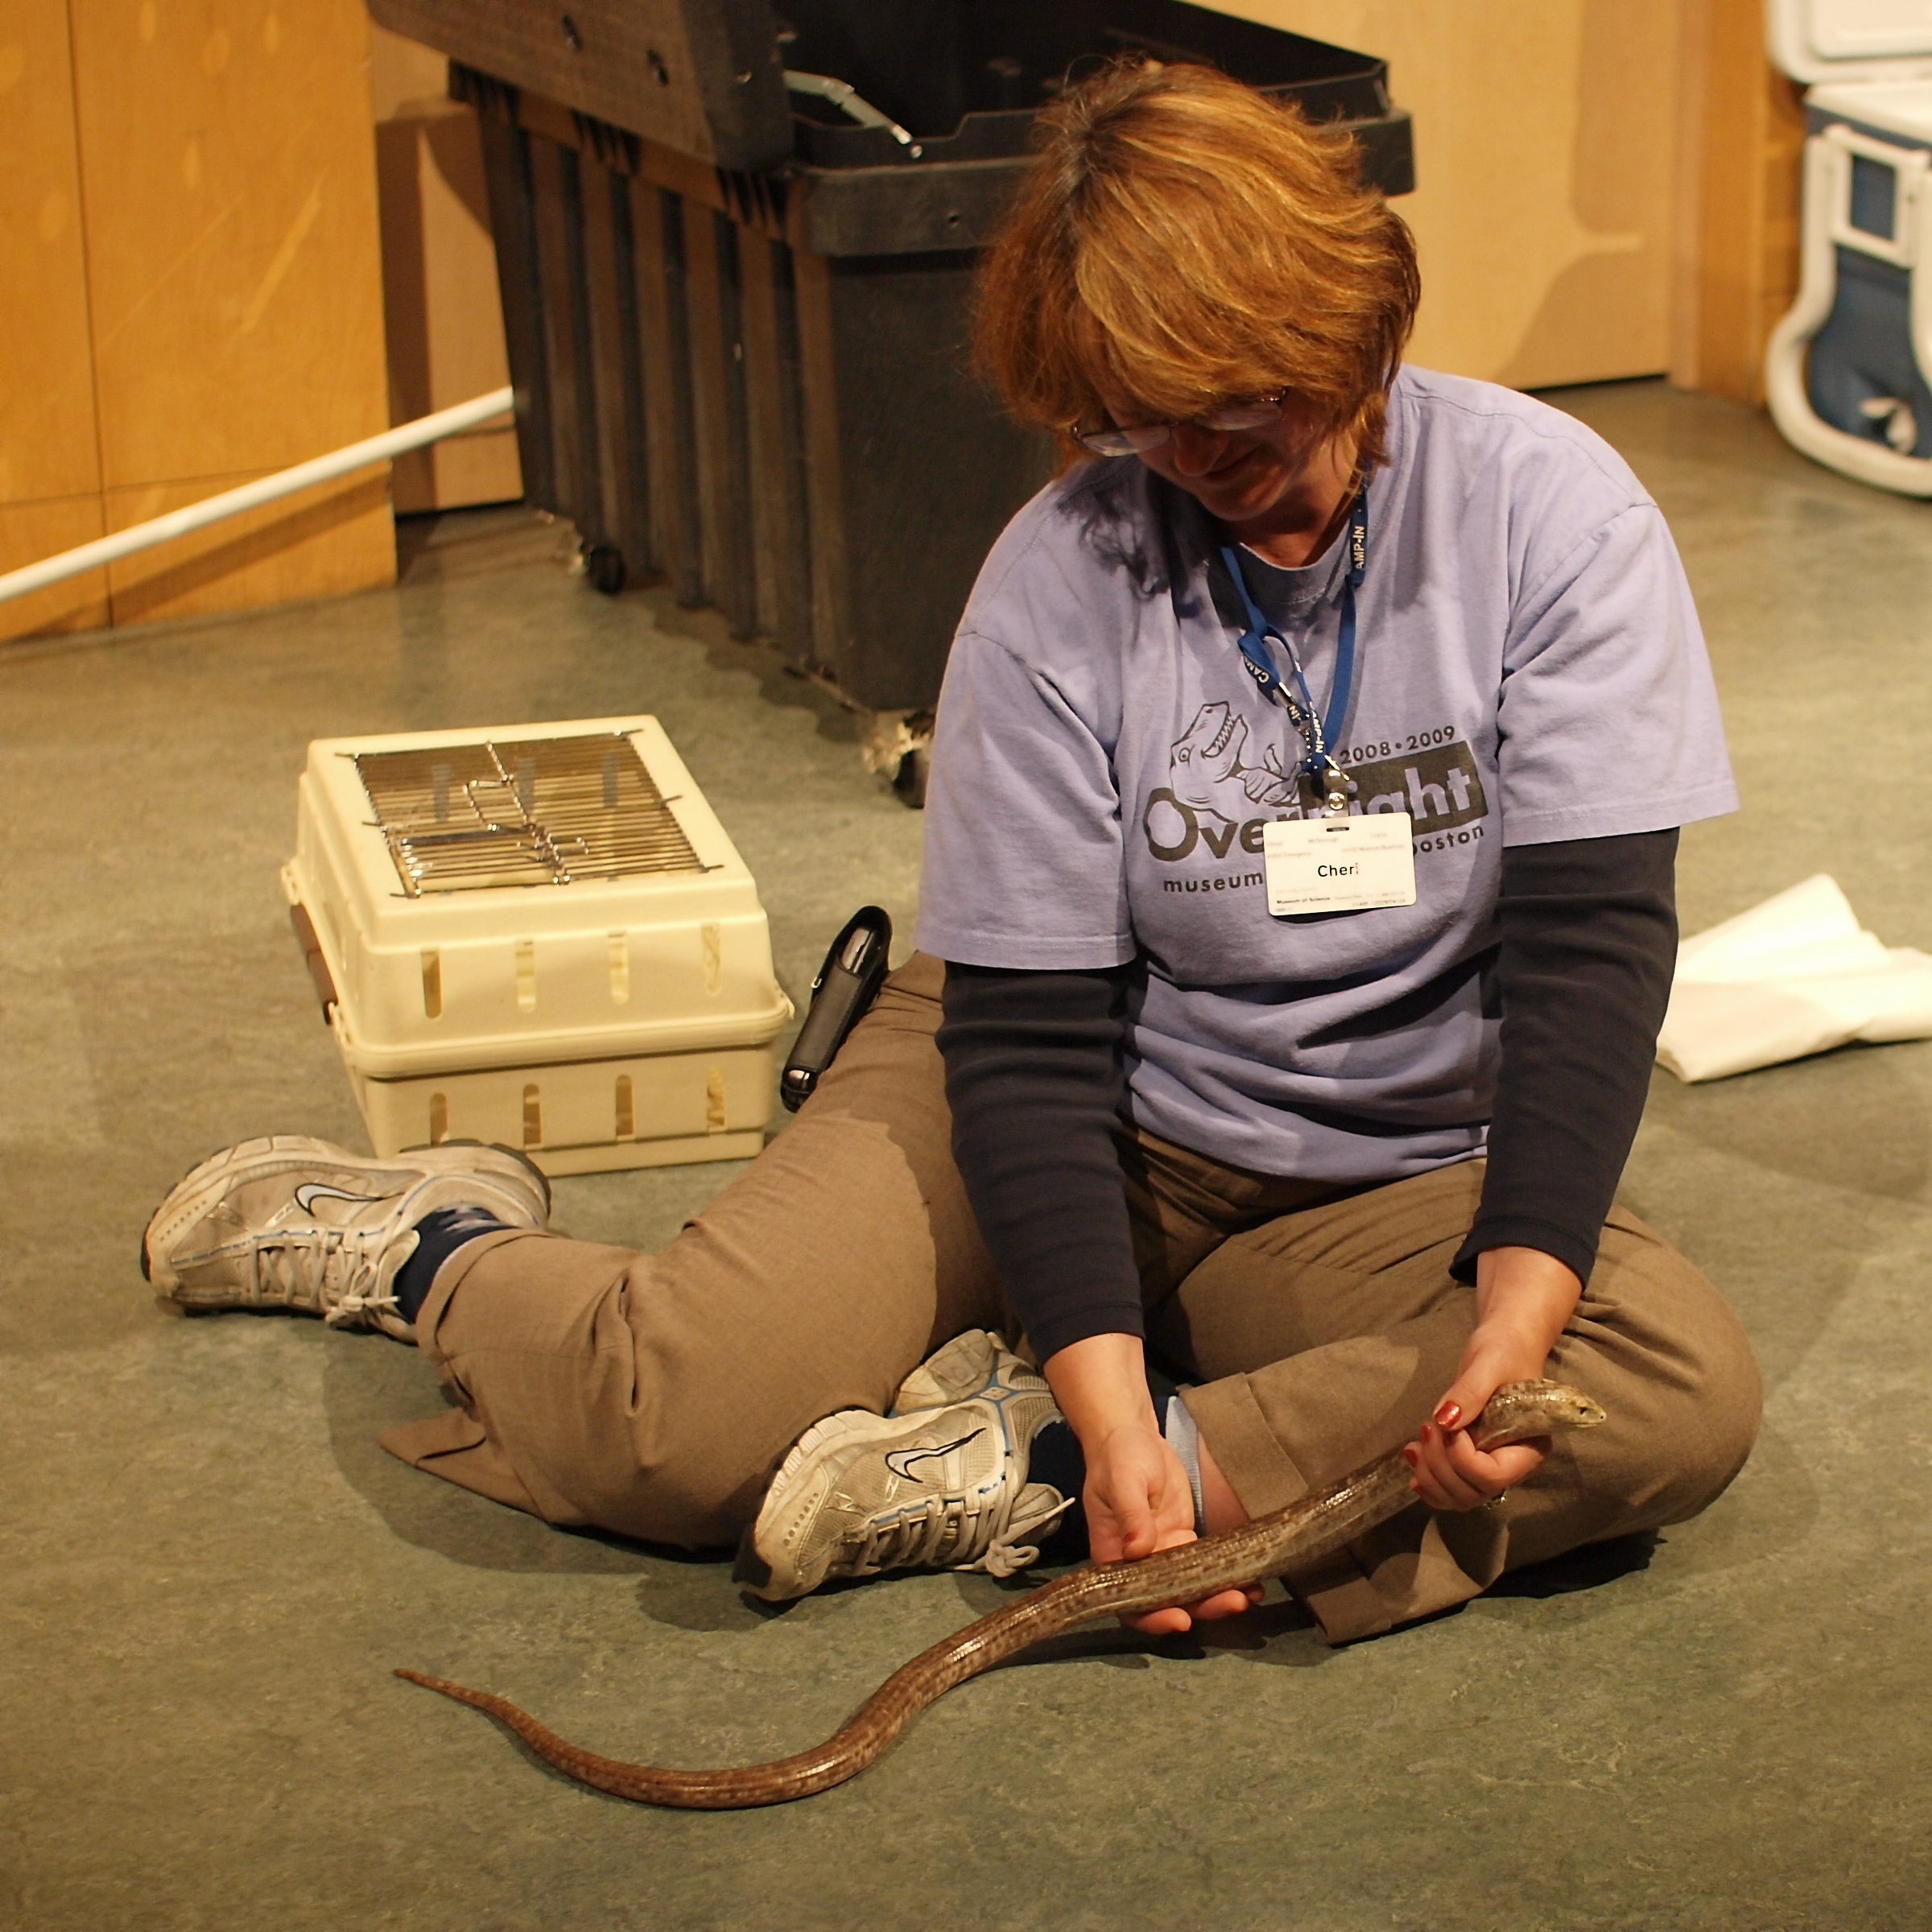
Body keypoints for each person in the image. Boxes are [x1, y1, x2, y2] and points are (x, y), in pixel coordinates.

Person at [140, 60, 1762, 1648]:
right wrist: (1115, 1383)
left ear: (1344, 310)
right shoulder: (1062, 577)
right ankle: (435, 1243)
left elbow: (1591, 957)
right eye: (1142, 418)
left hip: (1392, 1168)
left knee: (1656, 1381)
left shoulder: (1551, 517)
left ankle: (1033, 1467)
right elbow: (1028, 1042)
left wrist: (1490, 1321)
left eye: (1238, 392)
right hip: (1075, 1086)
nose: (1199, 451)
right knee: (671, 1426)